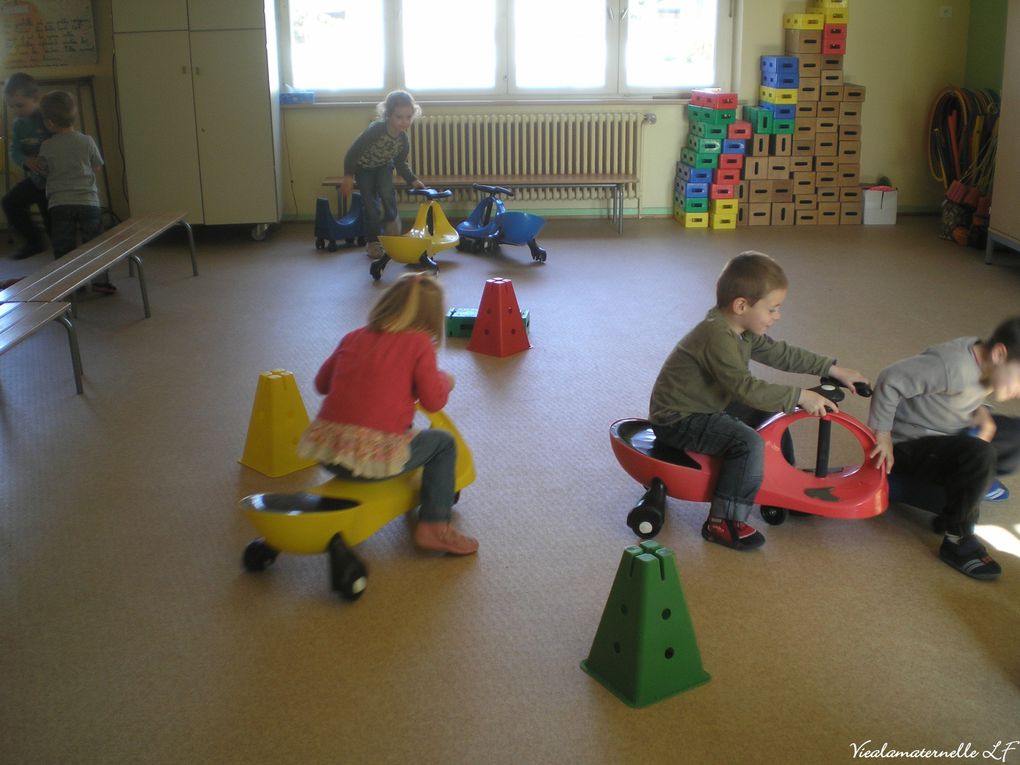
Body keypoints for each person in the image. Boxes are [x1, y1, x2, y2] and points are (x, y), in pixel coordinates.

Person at [648, 251, 868, 551]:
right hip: (679, 418)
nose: (777, 317)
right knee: (747, 442)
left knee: (771, 415)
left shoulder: (741, 329)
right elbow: (746, 388)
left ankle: (783, 486)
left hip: (709, 401)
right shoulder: (717, 337)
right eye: (773, 309)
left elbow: (781, 354)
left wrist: (832, 369)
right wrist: (800, 396)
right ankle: (722, 522)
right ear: (742, 305)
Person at [297, 273, 478, 555]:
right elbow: (433, 402)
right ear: (431, 318)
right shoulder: (419, 344)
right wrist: (445, 381)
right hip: (369, 460)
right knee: (442, 443)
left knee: (397, 431)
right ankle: (434, 527)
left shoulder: (353, 337)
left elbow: (321, 385)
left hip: (328, 454)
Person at [868, 316, 1020, 580]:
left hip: (950, 435)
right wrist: (882, 435)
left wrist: (982, 410)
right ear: (999, 354)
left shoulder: (986, 365)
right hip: (910, 445)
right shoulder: (952, 367)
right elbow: (890, 379)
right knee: (980, 453)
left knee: (1012, 435)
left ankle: (961, 493)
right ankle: (957, 538)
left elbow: (963, 397)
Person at [36, 91, 115, 294]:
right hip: (88, 201)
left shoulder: (46, 145)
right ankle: (100, 282)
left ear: (50, 123)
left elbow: (44, 170)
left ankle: (71, 285)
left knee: (64, 247)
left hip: (60, 203)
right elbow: (97, 166)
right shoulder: (87, 141)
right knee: (94, 244)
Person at [338, 90, 425, 260]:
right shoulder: (377, 129)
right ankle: (373, 242)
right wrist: (348, 176)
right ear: (388, 115)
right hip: (363, 169)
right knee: (371, 206)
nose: (404, 122)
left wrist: (413, 180)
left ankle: (392, 229)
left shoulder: (403, 140)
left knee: (387, 194)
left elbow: (400, 163)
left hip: (384, 167)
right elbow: (352, 153)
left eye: (408, 117)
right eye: (399, 117)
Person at [2, 73, 51, 259]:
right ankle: (34, 241)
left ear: (35, 98)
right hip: (35, 180)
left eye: (20, 105)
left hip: (54, 183)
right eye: (11, 106)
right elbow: (14, 151)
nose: (16, 110)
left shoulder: (48, 118)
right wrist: (25, 160)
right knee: (9, 202)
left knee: (52, 222)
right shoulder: (19, 124)